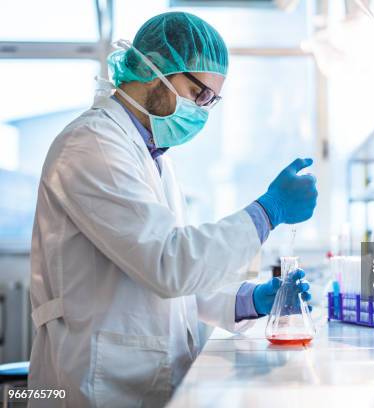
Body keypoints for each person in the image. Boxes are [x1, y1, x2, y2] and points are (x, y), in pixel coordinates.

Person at [28, 12, 317, 408]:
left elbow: (174, 282)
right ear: (156, 70)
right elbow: (169, 264)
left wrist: (248, 300)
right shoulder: (93, 145)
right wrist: (268, 211)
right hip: (95, 383)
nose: (203, 111)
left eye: (212, 102)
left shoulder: (151, 156)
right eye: (199, 95)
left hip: (140, 378)